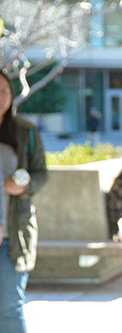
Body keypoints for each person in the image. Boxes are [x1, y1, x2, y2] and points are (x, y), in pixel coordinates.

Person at [0, 71, 48, 333]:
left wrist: (24, 187)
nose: (0, 97)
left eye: (4, 90)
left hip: (13, 235)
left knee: (8, 306)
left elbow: (41, 174)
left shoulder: (25, 131)